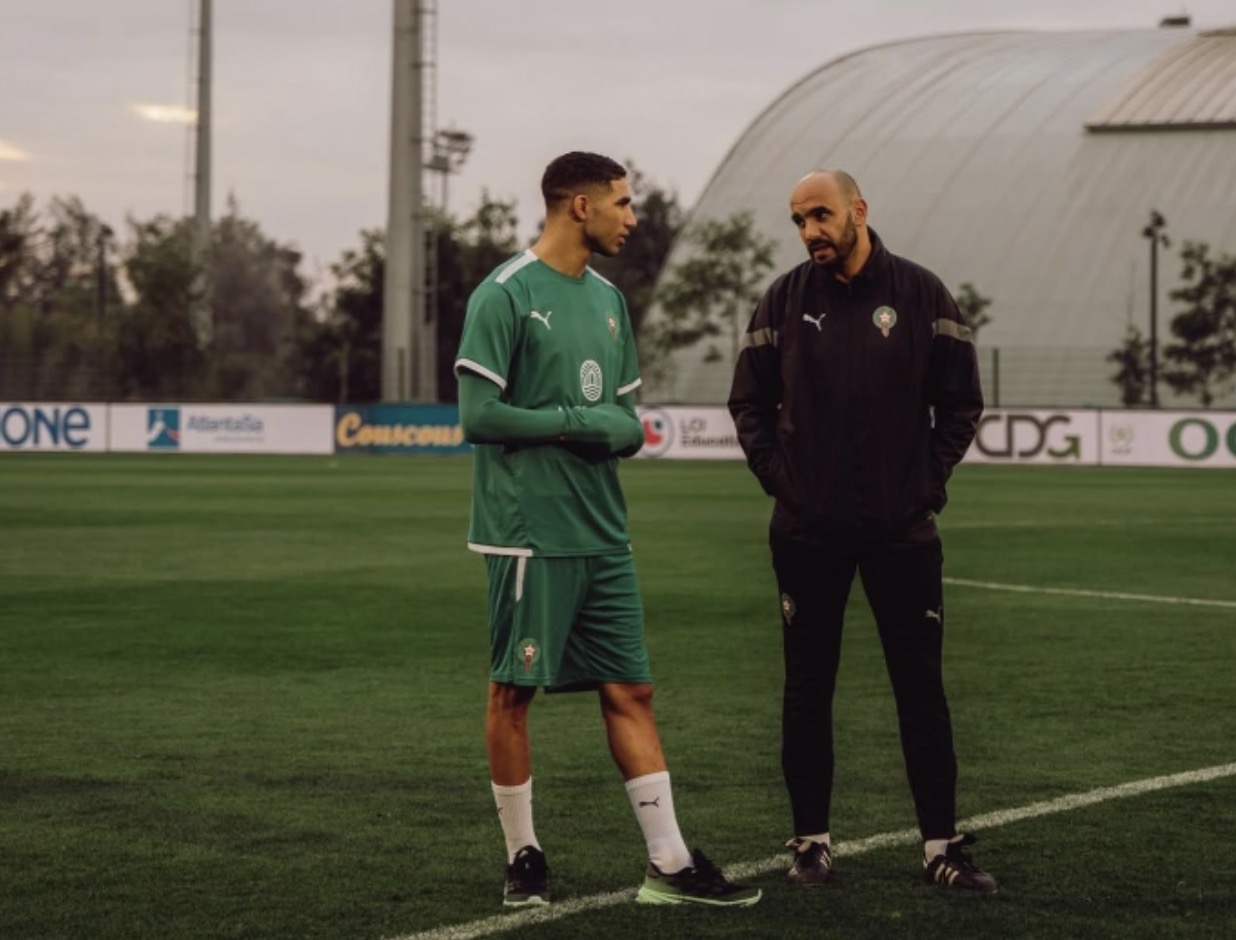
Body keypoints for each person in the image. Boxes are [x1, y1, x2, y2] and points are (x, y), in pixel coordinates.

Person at [454, 151, 761, 910]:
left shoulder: (611, 301)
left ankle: (670, 862)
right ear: (579, 206)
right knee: (513, 691)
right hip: (528, 533)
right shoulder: (504, 293)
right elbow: (478, 416)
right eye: (623, 203)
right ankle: (523, 856)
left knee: (632, 688)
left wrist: (606, 428)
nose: (633, 217)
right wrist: (573, 422)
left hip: (603, 530)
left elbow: (628, 424)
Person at [727, 169, 997, 893]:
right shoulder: (784, 299)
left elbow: (961, 402)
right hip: (806, 531)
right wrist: (781, 480)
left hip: (900, 531)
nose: (810, 231)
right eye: (798, 220)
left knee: (921, 688)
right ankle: (810, 843)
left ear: (858, 211)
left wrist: (924, 485)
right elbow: (748, 403)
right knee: (807, 687)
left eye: (821, 215)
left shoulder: (920, 294)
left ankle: (941, 847)